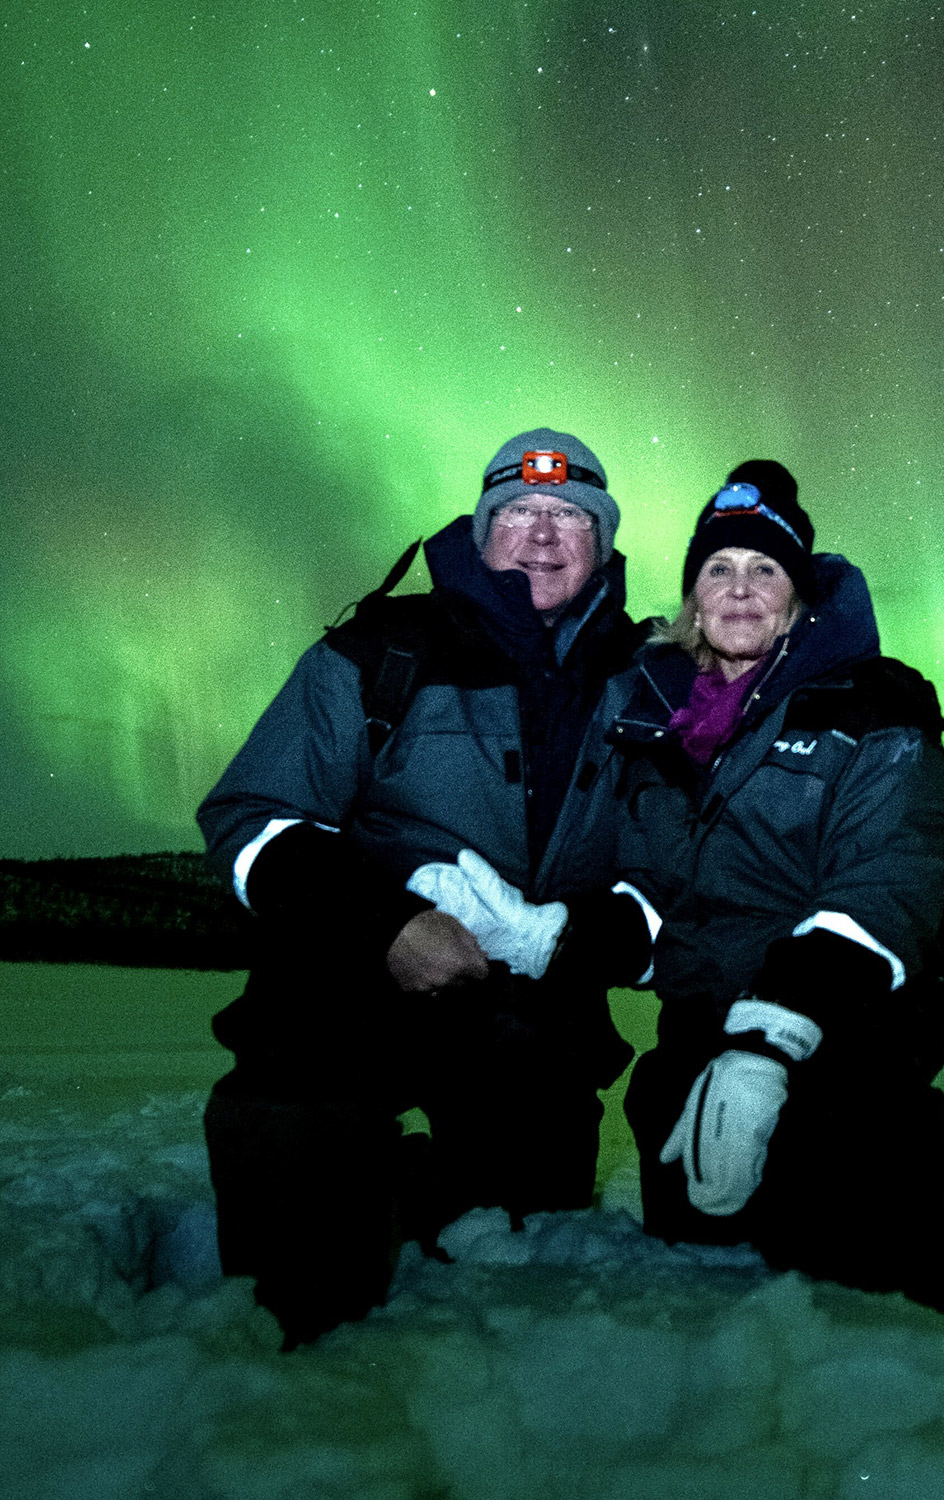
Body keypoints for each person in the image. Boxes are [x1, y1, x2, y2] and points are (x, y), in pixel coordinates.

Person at [197, 428, 655, 1347]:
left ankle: (416, 1191)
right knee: (294, 1155)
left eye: (569, 513)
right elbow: (253, 819)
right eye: (518, 510)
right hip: (350, 984)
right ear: (482, 529)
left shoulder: (650, 687)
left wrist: (564, 943)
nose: (541, 532)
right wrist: (389, 925)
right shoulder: (380, 653)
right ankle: (290, 1366)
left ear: (601, 541)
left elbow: (673, 867)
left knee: (522, 1239)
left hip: (532, 1010)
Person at [609, 460, 944, 1317]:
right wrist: (554, 933)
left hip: (851, 1033)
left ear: (800, 598)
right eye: (719, 570)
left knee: (864, 1263)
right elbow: (649, 886)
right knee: (700, 1278)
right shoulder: (652, 722)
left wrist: (770, 1037)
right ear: (694, 596)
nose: (740, 592)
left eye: (765, 570)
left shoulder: (875, 711)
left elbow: (890, 877)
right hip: (700, 1037)